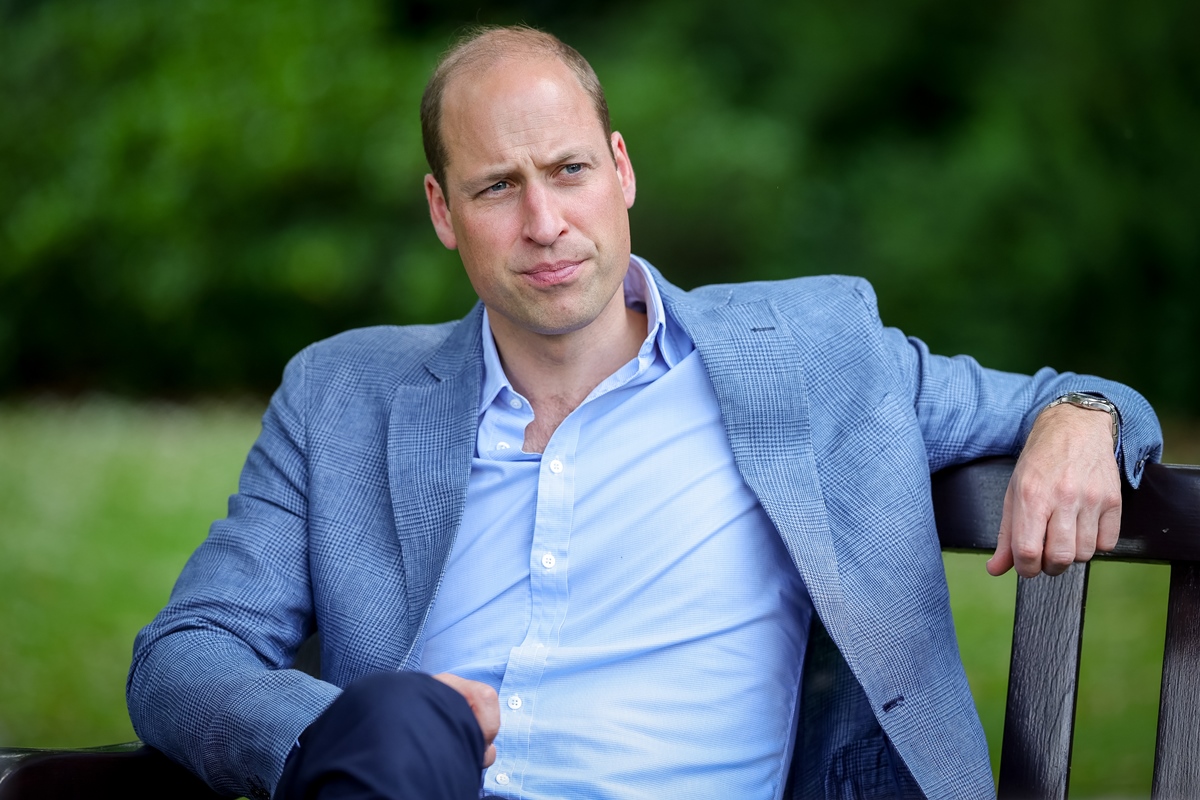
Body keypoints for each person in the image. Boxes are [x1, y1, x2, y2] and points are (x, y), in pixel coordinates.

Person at [127, 25, 1162, 800]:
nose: (545, 223)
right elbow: (187, 648)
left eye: (570, 171)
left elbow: (1072, 395)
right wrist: (338, 736)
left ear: (620, 168)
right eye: (497, 188)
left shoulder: (809, 353)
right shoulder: (342, 393)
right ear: (443, 212)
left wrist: (1082, 414)